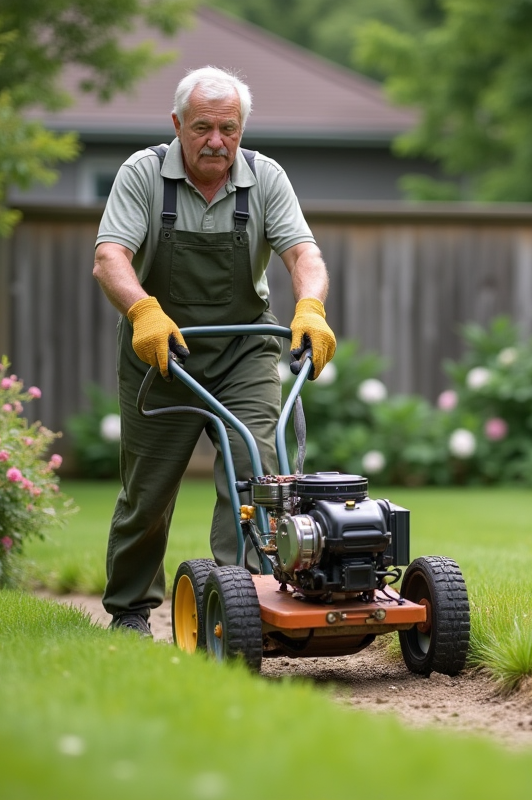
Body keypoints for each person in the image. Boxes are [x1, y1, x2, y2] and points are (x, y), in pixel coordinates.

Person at [92, 66, 336, 636]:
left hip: (244, 350)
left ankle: (241, 605)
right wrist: (144, 312)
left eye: (229, 128)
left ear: (242, 128)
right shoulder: (143, 175)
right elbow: (110, 257)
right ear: (177, 124)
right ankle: (130, 608)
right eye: (203, 127)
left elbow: (304, 255)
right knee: (148, 491)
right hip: (161, 352)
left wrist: (310, 309)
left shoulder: (265, 177)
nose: (216, 141)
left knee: (256, 468)